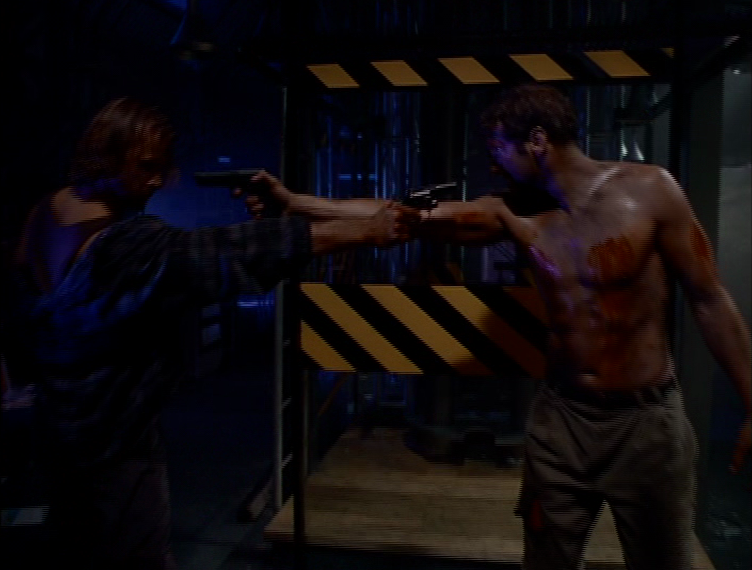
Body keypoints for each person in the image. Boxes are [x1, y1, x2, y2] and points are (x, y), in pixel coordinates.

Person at [252, 83, 751, 570]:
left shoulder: (651, 190)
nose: (493, 165)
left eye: (498, 150)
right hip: (562, 419)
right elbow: (398, 215)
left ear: (537, 140)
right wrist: (294, 202)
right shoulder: (511, 211)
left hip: (646, 422)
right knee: (546, 558)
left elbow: (708, 298)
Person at [1, 96, 415, 569]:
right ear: (108, 156)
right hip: (114, 440)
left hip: (59, 432)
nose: (157, 181)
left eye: (162, 168)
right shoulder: (127, 245)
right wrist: (363, 232)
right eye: (146, 166)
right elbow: (224, 252)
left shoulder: (48, 210)